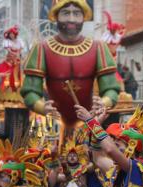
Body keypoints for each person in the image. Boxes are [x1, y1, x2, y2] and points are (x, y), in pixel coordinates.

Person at [21, 0, 120, 129]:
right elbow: (30, 91)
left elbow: (111, 89)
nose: (71, 19)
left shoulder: (99, 48)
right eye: (66, 13)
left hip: (90, 124)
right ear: (56, 15)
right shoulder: (41, 49)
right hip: (53, 126)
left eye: (77, 13)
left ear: (84, 17)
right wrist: (42, 108)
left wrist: (103, 102)